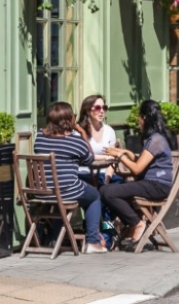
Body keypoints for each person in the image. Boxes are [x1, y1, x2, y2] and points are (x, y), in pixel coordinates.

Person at [100, 100, 175, 252]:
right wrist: (124, 153)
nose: (138, 121)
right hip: (153, 184)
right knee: (106, 193)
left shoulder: (155, 140)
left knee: (106, 192)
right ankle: (112, 232)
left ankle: (135, 224)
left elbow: (137, 169)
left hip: (155, 185)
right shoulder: (156, 138)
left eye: (139, 117)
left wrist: (120, 157)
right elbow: (141, 162)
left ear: (145, 118)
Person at [34, 101, 108, 253]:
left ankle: (56, 238)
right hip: (66, 190)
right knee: (94, 195)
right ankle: (93, 241)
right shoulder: (75, 141)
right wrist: (81, 133)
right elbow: (89, 159)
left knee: (65, 196)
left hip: (43, 191)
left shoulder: (39, 137)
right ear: (70, 120)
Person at [76, 94, 118, 181]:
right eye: (97, 108)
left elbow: (112, 160)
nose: (102, 111)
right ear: (87, 111)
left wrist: (107, 178)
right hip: (83, 175)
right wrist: (105, 157)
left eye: (104, 108)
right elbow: (81, 157)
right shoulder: (78, 132)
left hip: (104, 175)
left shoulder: (109, 131)